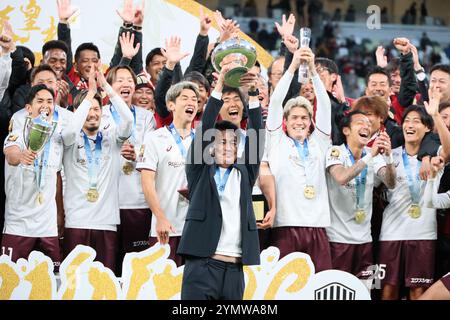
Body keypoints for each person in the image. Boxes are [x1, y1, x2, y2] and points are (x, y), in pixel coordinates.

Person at [177, 63, 263, 300]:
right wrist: (219, 86)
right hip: (203, 265)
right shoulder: (199, 171)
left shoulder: (244, 173)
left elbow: (257, 137)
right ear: (210, 148)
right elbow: (205, 128)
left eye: (233, 142)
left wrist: (253, 94)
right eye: (222, 142)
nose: (228, 146)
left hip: (235, 270)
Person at [264, 46, 333, 271]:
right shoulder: (276, 141)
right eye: (294, 117)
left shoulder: (320, 143)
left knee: (316, 289)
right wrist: (293, 66)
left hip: (317, 227)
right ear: (285, 120)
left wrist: (312, 70)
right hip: (285, 226)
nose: (299, 122)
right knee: (283, 289)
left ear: (311, 121)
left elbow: (324, 104)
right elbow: (275, 102)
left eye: (304, 117)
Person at [378, 90, 450, 299]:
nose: (410, 125)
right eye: (407, 120)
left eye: (416, 121)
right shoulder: (391, 154)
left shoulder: (435, 156)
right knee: (388, 291)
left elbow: (449, 148)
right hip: (391, 233)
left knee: (417, 292)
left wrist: (436, 115)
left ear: (427, 127)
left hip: (423, 234)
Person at [61, 67, 133, 273]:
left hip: (106, 223)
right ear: (78, 112)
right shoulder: (70, 140)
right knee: (74, 283)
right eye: (88, 109)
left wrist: (106, 89)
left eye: (97, 109)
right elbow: (69, 130)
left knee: (105, 283)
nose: (93, 114)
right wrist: (90, 94)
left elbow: (128, 120)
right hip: (77, 222)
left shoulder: (112, 139)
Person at [325, 110, 396, 281]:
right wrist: (369, 157)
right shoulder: (335, 152)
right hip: (337, 240)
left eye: (369, 124)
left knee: (365, 291)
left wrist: (388, 158)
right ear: (346, 130)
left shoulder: (374, 155)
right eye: (360, 123)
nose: (366, 126)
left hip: (365, 240)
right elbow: (341, 177)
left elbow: (391, 183)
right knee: (337, 291)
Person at [2, 85, 64, 271]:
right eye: (40, 101)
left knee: (52, 285)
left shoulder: (56, 137)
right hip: (18, 226)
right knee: (11, 286)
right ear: (29, 108)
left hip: (47, 227)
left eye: (49, 101)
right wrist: (20, 156)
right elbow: (11, 154)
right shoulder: (18, 132)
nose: (45, 105)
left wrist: (59, 213)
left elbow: (57, 177)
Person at [137, 81, 199, 266]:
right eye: (185, 98)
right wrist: (160, 217)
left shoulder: (204, 141)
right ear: (171, 105)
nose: (191, 103)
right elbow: (147, 183)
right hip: (166, 228)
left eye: (195, 100)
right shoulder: (153, 138)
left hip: (195, 229)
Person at [104, 66, 156, 263]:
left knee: (136, 265)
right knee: (108, 264)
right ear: (108, 87)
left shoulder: (146, 117)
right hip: (106, 203)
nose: (126, 84)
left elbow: (153, 154)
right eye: (120, 80)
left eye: (129, 80)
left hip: (137, 201)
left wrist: (137, 156)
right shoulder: (98, 115)